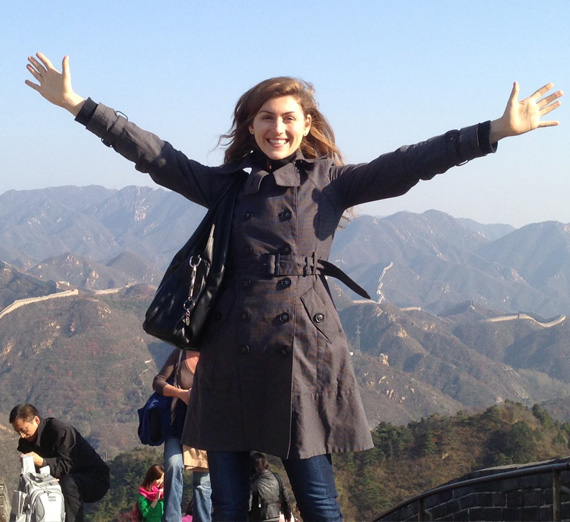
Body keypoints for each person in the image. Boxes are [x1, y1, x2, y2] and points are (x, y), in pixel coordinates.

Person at [24, 52, 562, 522]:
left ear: (306, 125)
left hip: (303, 353)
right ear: (250, 125)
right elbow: (156, 156)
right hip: (230, 355)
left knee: (320, 504)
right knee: (230, 506)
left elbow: (412, 163)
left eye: (288, 118)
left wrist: (493, 130)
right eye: (266, 117)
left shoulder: (333, 181)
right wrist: (79, 104)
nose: (276, 127)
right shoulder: (228, 185)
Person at [10, 403, 110, 522]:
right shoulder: (26, 441)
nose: (22, 435)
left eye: (24, 430)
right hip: (63, 479)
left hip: (94, 479)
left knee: (68, 483)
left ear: (36, 420)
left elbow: (67, 465)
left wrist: (42, 462)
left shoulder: (60, 431)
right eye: (18, 432)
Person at [153, 348, 212, 522]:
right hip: (177, 427)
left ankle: (203, 519)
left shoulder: (215, 353)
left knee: (202, 483)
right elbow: (158, 382)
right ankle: (171, 518)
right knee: (173, 465)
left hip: (203, 431)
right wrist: (181, 394)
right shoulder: (179, 354)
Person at [249, 453, 292, 522]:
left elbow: (248, 506)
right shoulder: (277, 477)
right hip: (275, 515)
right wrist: (288, 514)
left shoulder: (253, 482)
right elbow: (285, 498)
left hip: (259, 517)